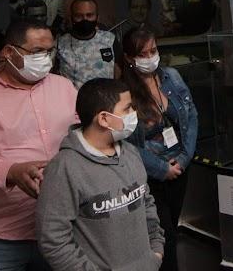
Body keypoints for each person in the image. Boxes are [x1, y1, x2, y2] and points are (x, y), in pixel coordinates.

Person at [0, 19, 77, 270]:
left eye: (50, 51)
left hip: (61, 229)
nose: (46, 59)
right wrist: (12, 172)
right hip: (0, 236)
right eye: (37, 52)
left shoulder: (64, 87)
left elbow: (81, 136)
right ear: (9, 52)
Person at [36, 78, 165, 270]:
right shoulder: (64, 167)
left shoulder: (130, 153)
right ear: (104, 119)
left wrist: (155, 251)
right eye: (127, 108)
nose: (134, 114)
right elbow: (53, 239)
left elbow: (146, 203)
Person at [121, 28, 198, 271]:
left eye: (153, 51)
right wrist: (161, 168)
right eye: (142, 54)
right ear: (129, 58)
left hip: (179, 167)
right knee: (164, 237)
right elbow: (126, 143)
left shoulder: (171, 77)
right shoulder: (123, 93)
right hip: (150, 175)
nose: (150, 58)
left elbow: (191, 116)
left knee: (172, 228)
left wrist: (184, 159)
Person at [55, 0, 118, 89]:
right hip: (72, 101)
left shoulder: (110, 39)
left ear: (97, 17)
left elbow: (118, 72)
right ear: (71, 18)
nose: (85, 19)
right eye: (79, 16)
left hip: (106, 99)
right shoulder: (60, 43)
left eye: (89, 15)